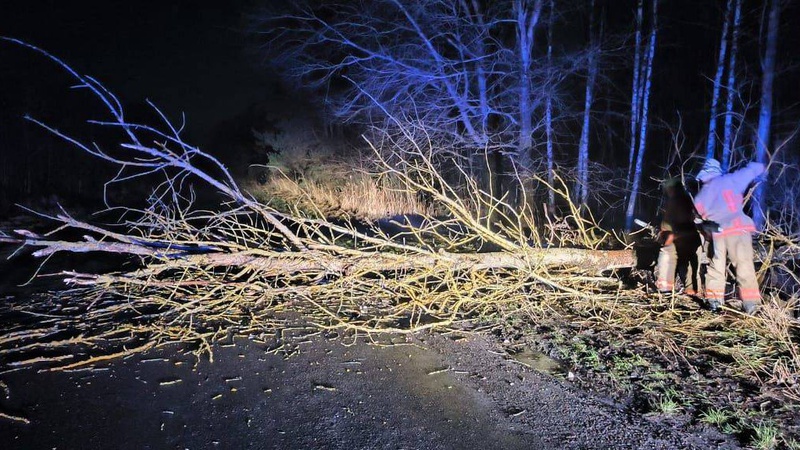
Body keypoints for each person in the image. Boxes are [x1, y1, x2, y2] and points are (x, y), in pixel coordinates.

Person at [693, 158, 765, 314]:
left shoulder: (701, 195)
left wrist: (704, 224)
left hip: (718, 231)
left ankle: (714, 301)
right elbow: (750, 171)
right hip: (738, 228)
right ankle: (752, 305)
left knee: (716, 264)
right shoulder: (730, 180)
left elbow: (698, 218)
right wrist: (760, 165)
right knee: (743, 265)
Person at [655, 178, 702, 296]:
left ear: (671, 189)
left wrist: (667, 234)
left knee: (667, 254)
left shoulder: (676, 200)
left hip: (681, 235)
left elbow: (669, 222)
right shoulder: (688, 198)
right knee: (690, 263)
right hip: (692, 236)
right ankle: (692, 290)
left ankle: (665, 289)